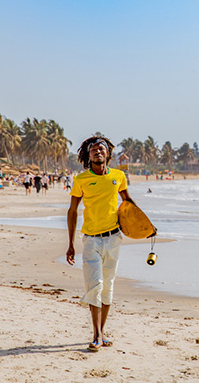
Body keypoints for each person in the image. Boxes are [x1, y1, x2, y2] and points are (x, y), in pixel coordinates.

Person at [66, 136, 132, 352]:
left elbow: (128, 204)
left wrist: (145, 228)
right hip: (91, 240)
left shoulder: (118, 176)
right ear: (88, 155)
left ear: (108, 154)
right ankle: (96, 335)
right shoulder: (82, 179)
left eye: (101, 149)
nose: (97, 152)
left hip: (114, 239)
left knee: (108, 287)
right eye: (93, 149)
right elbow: (73, 211)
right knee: (94, 285)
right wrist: (70, 244)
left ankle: (102, 332)